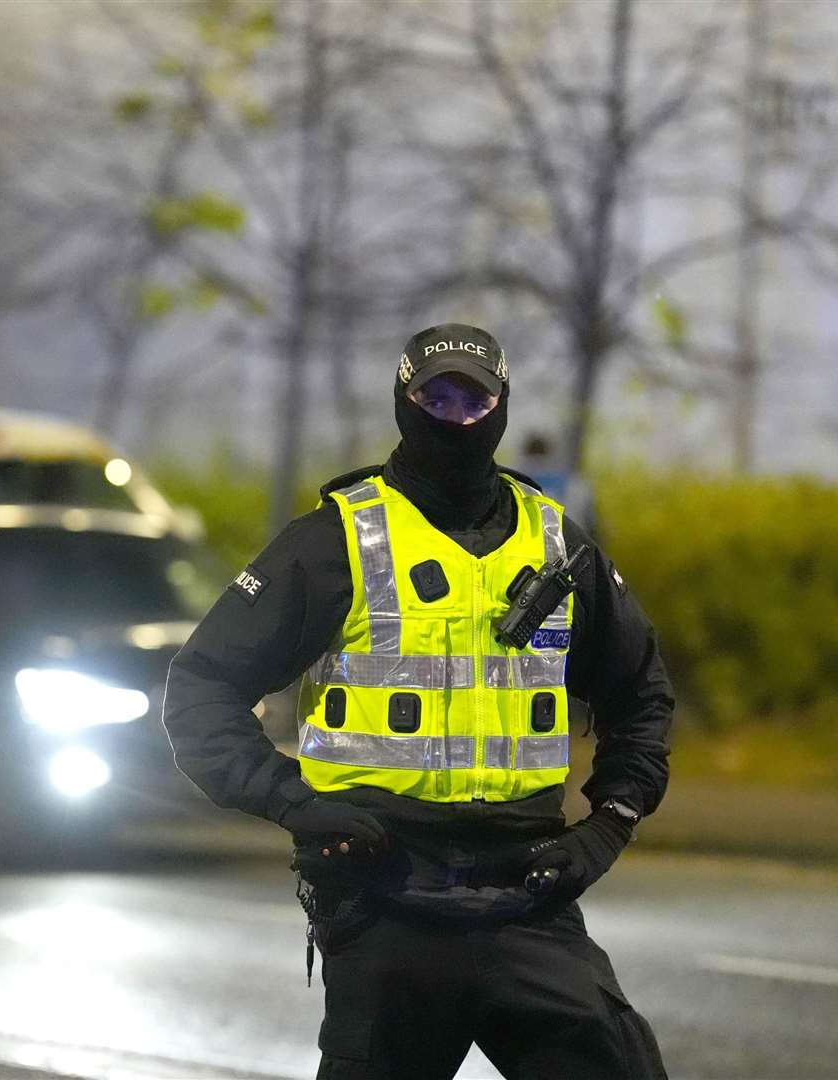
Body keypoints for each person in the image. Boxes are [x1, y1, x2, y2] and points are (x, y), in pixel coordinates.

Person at [163, 323, 674, 1078]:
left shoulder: (558, 545)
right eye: (436, 396)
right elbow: (201, 688)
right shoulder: (338, 539)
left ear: (500, 408)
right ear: (404, 402)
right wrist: (295, 805)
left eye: (473, 399)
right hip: (384, 901)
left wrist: (605, 828)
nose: (455, 416)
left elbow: (643, 698)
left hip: (529, 900)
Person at [521, 431, 599, 539]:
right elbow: (591, 523)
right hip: (571, 545)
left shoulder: (514, 480)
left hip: (528, 545)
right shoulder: (575, 482)